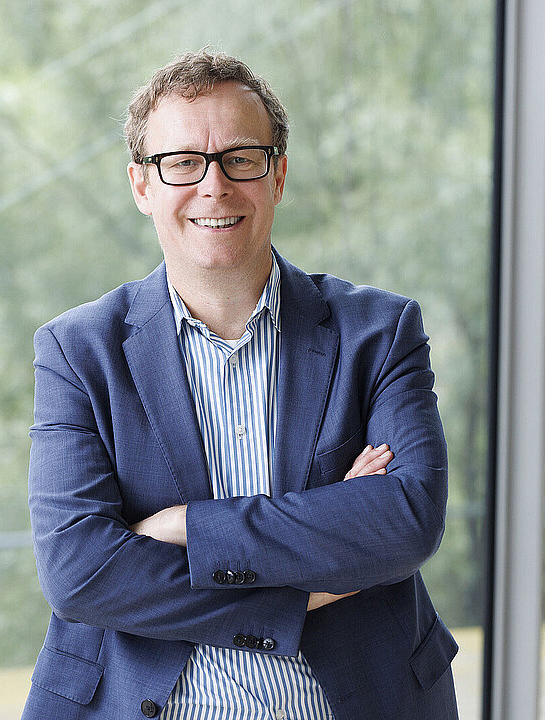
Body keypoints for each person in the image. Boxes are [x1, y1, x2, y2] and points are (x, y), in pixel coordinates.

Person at [22, 50, 457, 720]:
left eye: (240, 158)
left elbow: (405, 521)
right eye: (182, 163)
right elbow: (81, 572)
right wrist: (311, 567)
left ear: (277, 174)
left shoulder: (379, 330)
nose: (214, 185)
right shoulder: (77, 351)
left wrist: (185, 527)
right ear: (141, 185)